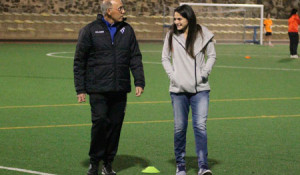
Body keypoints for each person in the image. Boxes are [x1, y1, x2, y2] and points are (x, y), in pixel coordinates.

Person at [73, 0, 145, 174]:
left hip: (120, 88)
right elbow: (79, 61)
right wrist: (80, 88)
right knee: (100, 122)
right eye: (120, 8)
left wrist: (139, 81)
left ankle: (108, 163)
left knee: (115, 126)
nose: (123, 10)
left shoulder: (127, 30)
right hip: (98, 88)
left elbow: (135, 56)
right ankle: (94, 162)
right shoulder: (90, 30)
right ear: (108, 11)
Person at [161, 5, 216, 175]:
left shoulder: (203, 33)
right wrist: (173, 76)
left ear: (188, 18)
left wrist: (204, 74)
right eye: (175, 19)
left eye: (179, 19)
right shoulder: (171, 35)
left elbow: (212, 55)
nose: (176, 22)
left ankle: (203, 166)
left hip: (200, 90)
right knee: (180, 128)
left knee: (200, 127)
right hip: (178, 91)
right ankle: (181, 165)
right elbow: (165, 58)